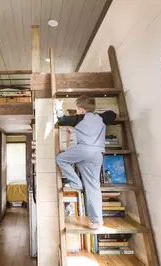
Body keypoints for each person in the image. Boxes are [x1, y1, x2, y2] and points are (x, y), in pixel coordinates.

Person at [54, 95, 116, 229]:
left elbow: (62, 119)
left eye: (77, 110)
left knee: (61, 159)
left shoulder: (80, 118)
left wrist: (59, 107)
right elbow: (112, 114)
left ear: (81, 110)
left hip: (84, 150)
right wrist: (98, 113)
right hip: (98, 154)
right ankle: (97, 221)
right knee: (93, 187)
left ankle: (76, 183)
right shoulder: (102, 118)